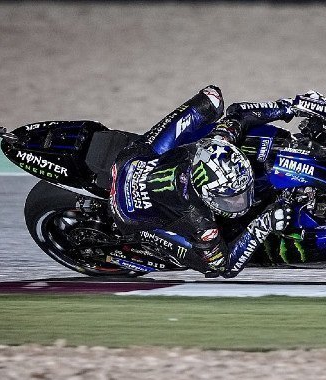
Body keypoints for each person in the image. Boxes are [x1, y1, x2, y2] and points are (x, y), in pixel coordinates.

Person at [109, 86, 294, 277]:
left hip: (134, 160)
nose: (241, 201)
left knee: (211, 99)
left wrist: (290, 106)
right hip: (127, 212)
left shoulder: (219, 141)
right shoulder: (200, 220)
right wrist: (262, 225)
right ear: (207, 198)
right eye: (231, 199)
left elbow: (238, 113)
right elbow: (226, 267)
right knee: (210, 266)